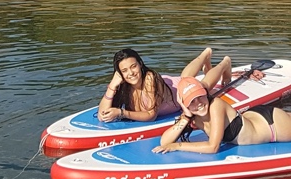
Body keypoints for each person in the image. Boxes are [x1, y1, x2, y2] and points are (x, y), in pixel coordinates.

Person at [153, 67, 291, 154]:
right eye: (192, 102)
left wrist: (179, 146)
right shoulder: (192, 116)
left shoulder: (216, 106)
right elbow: (164, 140)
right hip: (259, 117)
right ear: (184, 104)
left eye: (200, 97)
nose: (199, 103)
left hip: (273, 127)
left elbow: (213, 147)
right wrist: (185, 118)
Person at [97, 46, 234, 123]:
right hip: (172, 84)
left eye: (133, 66)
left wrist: (121, 112)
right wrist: (112, 85)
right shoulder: (123, 84)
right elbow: (101, 114)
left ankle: (224, 64)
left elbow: (151, 115)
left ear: (140, 64)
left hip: (179, 93)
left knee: (202, 85)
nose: (131, 73)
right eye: (124, 70)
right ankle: (205, 55)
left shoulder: (149, 79)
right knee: (184, 77)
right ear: (119, 73)